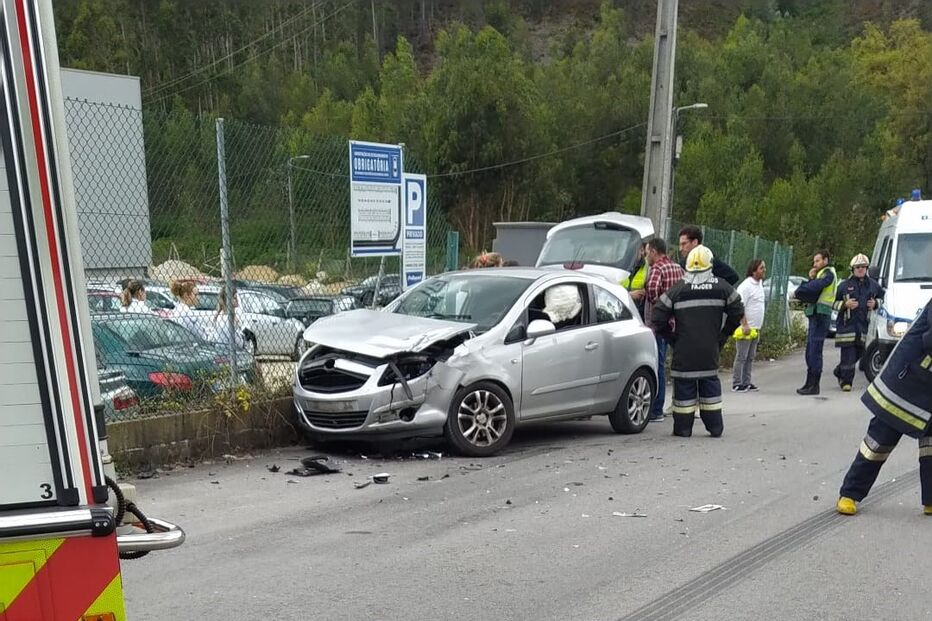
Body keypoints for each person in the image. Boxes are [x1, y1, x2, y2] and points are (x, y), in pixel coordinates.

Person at [836, 297, 932, 516]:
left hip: (927, 386)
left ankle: (930, 499)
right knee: (879, 441)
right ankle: (849, 493)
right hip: (905, 381)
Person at [651, 245, 744, 438]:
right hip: (709, 352)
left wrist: (672, 339)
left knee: (683, 397)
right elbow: (737, 309)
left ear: (687, 266)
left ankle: (683, 429)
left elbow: (658, 318)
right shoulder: (721, 287)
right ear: (710, 265)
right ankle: (715, 427)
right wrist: (723, 335)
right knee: (710, 390)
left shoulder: (677, 290)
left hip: (684, 354)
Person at [643, 237, 685, 422]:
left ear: (653, 251)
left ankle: (656, 409)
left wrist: (658, 306)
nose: (645, 255)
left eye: (646, 252)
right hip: (675, 323)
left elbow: (652, 289)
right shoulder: (677, 268)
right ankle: (673, 402)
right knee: (666, 363)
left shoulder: (657, 269)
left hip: (658, 324)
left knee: (656, 363)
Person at [832, 253, 884, 392]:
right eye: (857, 267)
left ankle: (839, 371)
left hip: (863, 326)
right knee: (848, 353)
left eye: (863, 267)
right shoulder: (844, 286)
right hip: (846, 325)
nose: (860, 269)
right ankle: (846, 382)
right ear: (852, 269)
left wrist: (876, 303)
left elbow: (883, 298)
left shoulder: (873, 285)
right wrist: (845, 304)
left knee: (860, 352)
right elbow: (833, 303)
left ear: (867, 268)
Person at [791, 250, 837, 395]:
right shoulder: (820, 274)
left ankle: (814, 385)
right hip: (816, 313)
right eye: (814, 261)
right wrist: (810, 279)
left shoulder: (828, 273)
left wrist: (798, 291)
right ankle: (809, 383)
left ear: (825, 260)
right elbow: (813, 288)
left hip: (821, 314)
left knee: (815, 350)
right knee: (810, 350)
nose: (814, 264)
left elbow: (816, 288)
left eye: (817, 261)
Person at [732, 259, 766, 392]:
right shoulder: (746, 286)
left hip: (756, 327)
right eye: (761, 268)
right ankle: (737, 382)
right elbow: (739, 306)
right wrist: (744, 324)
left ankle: (746, 381)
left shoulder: (759, 284)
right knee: (742, 356)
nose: (764, 271)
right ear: (754, 270)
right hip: (746, 327)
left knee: (750, 357)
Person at [622, 242, 649, 320]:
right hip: (620, 311)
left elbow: (650, 290)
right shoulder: (621, 266)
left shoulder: (648, 267)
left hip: (639, 314)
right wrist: (629, 295)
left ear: (641, 250)